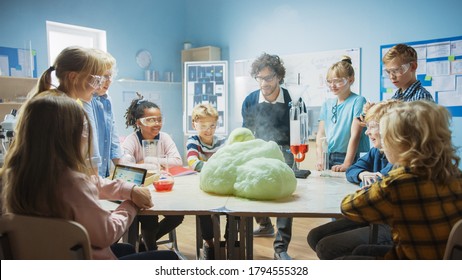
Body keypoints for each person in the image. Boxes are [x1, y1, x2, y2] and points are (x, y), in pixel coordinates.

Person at [1, 95, 177, 260]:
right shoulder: (73, 183)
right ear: (70, 135)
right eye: (85, 128)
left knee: (128, 249)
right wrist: (131, 204)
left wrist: (129, 190)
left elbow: (93, 182)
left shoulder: (12, 177)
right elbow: (107, 234)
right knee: (169, 258)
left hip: (47, 260)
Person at [27, 46, 151, 206]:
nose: (98, 85)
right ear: (74, 77)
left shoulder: (44, 104)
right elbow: (90, 177)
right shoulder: (72, 109)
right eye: (96, 79)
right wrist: (129, 203)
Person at [341, 100, 462, 259]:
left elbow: (348, 207)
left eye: (386, 136)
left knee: (344, 258)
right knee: (361, 252)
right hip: (446, 260)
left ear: (401, 142)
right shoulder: (455, 174)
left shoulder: (398, 182)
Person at [307, 100, 400, 259]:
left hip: (387, 225)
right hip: (374, 215)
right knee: (314, 236)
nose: (366, 132)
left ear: (388, 128)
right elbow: (352, 169)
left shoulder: (398, 162)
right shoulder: (376, 152)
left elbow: (360, 201)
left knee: (326, 246)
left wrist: (369, 182)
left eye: (371, 126)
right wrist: (362, 175)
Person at [241, 53, 293, 260]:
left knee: (286, 198)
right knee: (250, 187)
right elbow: (247, 132)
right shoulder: (250, 100)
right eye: (260, 78)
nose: (264, 83)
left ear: (279, 76)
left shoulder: (293, 101)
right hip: (258, 151)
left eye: (269, 77)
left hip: (286, 153)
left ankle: (281, 248)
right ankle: (264, 224)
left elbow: (298, 135)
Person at [122, 95, 184, 251]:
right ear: (138, 123)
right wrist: (160, 162)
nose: (156, 124)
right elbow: (125, 165)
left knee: (177, 215)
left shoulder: (165, 138)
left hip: (163, 188)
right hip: (141, 191)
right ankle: (152, 250)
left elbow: (177, 161)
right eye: (150, 120)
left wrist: (147, 161)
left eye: (159, 119)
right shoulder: (131, 140)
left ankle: (144, 244)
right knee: (149, 218)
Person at [315, 56, 370, 172]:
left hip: (350, 156)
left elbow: (356, 135)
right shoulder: (327, 104)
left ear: (350, 80)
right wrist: (320, 159)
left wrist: (347, 163)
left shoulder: (358, 101)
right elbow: (321, 134)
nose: (332, 86)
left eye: (338, 81)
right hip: (329, 156)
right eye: (330, 82)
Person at [186, 103, 226, 259]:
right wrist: (215, 167)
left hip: (221, 187)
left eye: (212, 126)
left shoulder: (223, 141)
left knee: (235, 212)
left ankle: (229, 241)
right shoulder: (193, 140)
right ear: (194, 124)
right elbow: (193, 162)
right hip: (202, 189)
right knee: (203, 212)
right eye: (203, 126)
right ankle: (209, 244)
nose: (208, 130)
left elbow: (228, 162)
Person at [84, 49, 122, 178]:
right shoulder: (85, 99)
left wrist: (122, 169)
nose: (109, 80)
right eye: (105, 76)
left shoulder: (107, 99)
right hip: (89, 173)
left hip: (102, 171)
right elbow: (90, 141)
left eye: (110, 76)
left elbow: (113, 135)